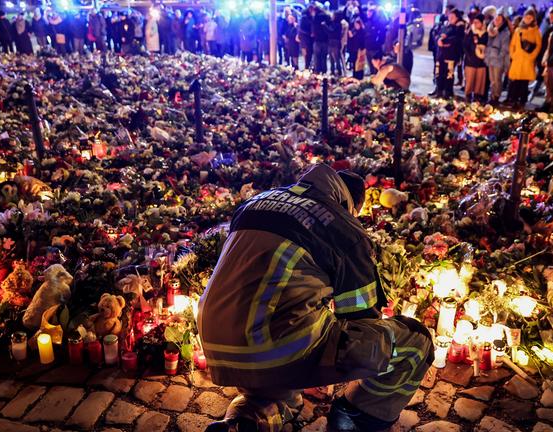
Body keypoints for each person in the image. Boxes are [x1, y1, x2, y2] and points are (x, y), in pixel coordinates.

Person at [201, 164, 432, 432]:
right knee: (416, 341)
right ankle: (355, 418)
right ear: (350, 205)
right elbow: (363, 321)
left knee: (282, 392)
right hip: (277, 341)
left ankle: (239, 424)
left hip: (216, 340)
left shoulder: (256, 202)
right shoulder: (343, 227)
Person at [507, 8, 541, 110]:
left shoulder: (536, 31)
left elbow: (538, 45)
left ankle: (522, 101)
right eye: (526, 17)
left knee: (524, 82)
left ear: (533, 19)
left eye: (530, 17)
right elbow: (512, 44)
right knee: (515, 81)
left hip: (527, 60)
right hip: (517, 59)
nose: (528, 19)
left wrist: (532, 56)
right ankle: (513, 100)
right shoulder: (518, 30)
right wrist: (513, 55)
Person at [533, 6, 553, 101]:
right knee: (544, 78)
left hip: (550, 58)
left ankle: (549, 100)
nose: (551, 17)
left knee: (548, 81)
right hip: (544, 55)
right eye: (550, 15)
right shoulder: (550, 26)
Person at [435, 9, 465, 99]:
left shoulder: (458, 28)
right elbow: (437, 35)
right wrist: (438, 40)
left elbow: (457, 40)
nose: (450, 18)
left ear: (457, 18)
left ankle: (448, 93)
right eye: (449, 16)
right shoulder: (445, 26)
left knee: (448, 75)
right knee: (439, 74)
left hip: (451, 55)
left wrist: (444, 41)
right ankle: (439, 91)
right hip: (441, 54)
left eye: (453, 17)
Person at [485, 8, 512, 104]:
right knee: (492, 79)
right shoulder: (490, 30)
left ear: (503, 21)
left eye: (499, 19)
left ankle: (496, 96)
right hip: (490, 57)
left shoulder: (505, 32)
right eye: (496, 18)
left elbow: (505, 48)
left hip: (498, 59)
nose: (497, 20)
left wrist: (499, 56)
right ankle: (492, 95)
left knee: (497, 79)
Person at [463, 14, 488, 102]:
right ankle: (468, 95)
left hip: (482, 62)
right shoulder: (471, 32)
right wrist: (469, 56)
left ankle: (478, 97)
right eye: (474, 22)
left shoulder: (486, 33)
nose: (475, 24)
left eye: (478, 22)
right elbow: (465, 45)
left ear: (482, 23)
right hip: (471, 60)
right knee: (470, 80)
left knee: (480, 80)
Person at [363, 5, 387, 74]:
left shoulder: (378, 22)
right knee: (370, 66)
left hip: (375, 48)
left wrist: (377, 43)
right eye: (368, 12)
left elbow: (382, 35)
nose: (368, 13)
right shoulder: (368, 21)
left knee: (376, 67)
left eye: (370, 12)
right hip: (368, 47)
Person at [312, 5, 330, 74]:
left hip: (317, 40)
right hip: (325, 40)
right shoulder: (326, 16)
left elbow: (314, 28)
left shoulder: (316, 17)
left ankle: (318, 70)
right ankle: (324, 70)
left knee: (317, 57)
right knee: (324, 57)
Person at [327, 11, 344, 76]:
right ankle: (332, 71)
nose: (332, 16)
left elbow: (331, 31)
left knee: (336, 57)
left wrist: (325, 26)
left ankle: (339, 71)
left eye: (333, 15)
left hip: (335, 42)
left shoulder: (338, 24)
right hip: (331, 41)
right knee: (331, 57)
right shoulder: (332, 23)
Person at [299, 4, 314, 69]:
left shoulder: (310, 17)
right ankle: (307, 66)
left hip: (309, 38)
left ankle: (308, 66)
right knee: (307, 53)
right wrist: (309, 33)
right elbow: (301, 28)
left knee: (309, 53)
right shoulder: (305, 17)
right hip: (306, 37)